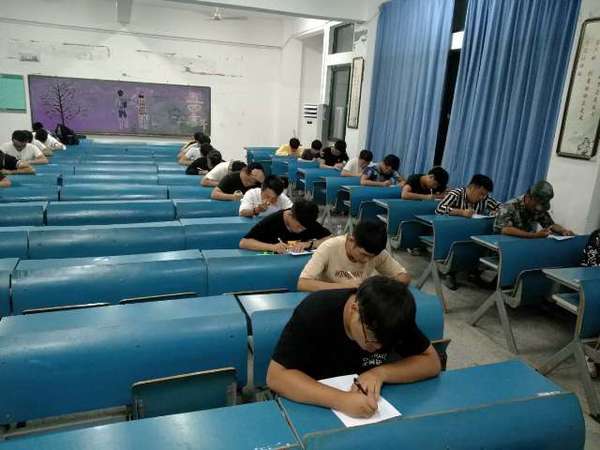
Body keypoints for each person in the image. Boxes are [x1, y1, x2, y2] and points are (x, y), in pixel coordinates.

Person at [267, 276, 441, 418]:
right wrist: (341, 400)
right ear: (354, 309)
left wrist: (380, 373)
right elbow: (276, 377)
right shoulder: (316, 311)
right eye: (371, 339)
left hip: (371, 401)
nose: (376, 348)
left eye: (386, 344)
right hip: (313, 404)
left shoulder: (393, 318)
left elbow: (432, 362)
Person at [298, 219, 410, 291]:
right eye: (364, 254)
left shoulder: (376, 252)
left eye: (372, 257)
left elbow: (404, 276)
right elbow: (303, 283)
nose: (367, 260)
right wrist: (344, 287)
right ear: (351, 240)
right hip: (330, 298)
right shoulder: (329, 247)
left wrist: (381, 287)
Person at [239, 199, 331, 253]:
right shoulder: (272, 220)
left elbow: (330, 239)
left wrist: (309, 244)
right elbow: (244, 243)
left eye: (304, 228)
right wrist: (272, 247)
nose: (300, 230)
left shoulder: (308, 219)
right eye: (298, 226)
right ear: (290, 215)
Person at [493, 180, 574, 238]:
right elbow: (505, 229)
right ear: (528, 198)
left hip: (526, 244)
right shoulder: (510, 206)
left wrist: (563, 231)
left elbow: (550, 225)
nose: (538, 208)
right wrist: (533, 235)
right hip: (505, 245)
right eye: (536, 204)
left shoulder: (538, 208)